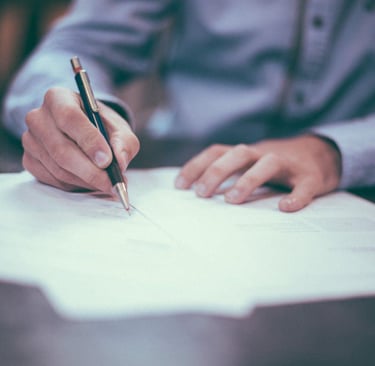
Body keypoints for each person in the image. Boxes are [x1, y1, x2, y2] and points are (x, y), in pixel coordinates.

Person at [2, 0, 375, 212]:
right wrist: (66, 117)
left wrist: (336, 151)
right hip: (185, 172)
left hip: (355, 186)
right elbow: (77, 44)